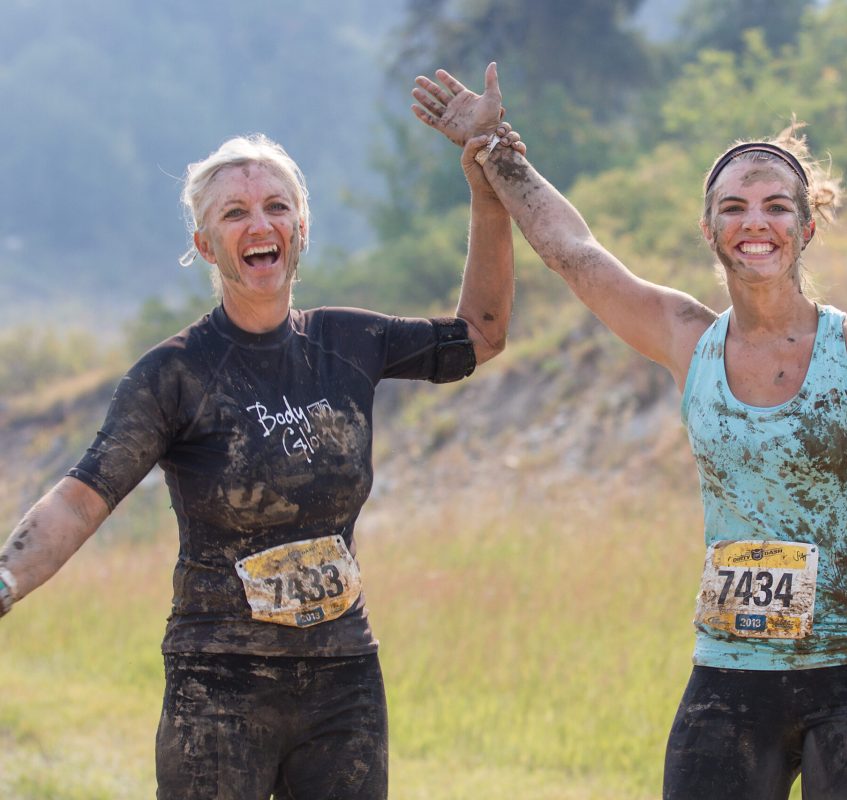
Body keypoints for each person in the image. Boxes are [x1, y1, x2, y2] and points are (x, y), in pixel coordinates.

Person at [411, 63, 847, 798]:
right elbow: (575, 253)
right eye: (734, 207)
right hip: (732, 675)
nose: (755, 222)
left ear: (806, 227)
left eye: (776, 207)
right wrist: (496, 148)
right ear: (709, 228)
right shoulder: (688, 339)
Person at [0, 108, 524, 798]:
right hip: (217, 687)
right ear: (205, 243)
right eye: (235, 213)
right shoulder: (174, 374)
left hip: (343, 682)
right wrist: (5, 581)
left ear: (301, 231)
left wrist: (489, 192)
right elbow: (82, 496)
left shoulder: (349, 341)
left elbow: (479, 334)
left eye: (278, 207)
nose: (260, 224)